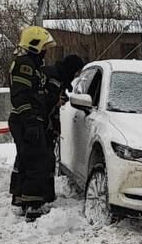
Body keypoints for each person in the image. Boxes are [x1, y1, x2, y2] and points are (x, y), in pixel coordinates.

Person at [8, 25, 57, 221]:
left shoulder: (32, 65)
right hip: (26, 120)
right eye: (44, 46)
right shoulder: (24, 64)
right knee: (38, 160)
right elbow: (20, 95)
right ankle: (34, 205)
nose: (46, 50)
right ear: (35, 45)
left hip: (30, 119)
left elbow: (37, 93)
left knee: (27, 158)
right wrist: (31, 122)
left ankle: (21, 199)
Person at [41, 54, 85, 202]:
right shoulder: (54, 77)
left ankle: (41, 196)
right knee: (44, 162)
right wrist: (56, 101)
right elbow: (43, 100)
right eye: (76, 72)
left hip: (44, 125)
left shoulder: (60, 76)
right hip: (41, 125)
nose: (76, 75)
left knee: (45, 160)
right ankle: (43, 197)